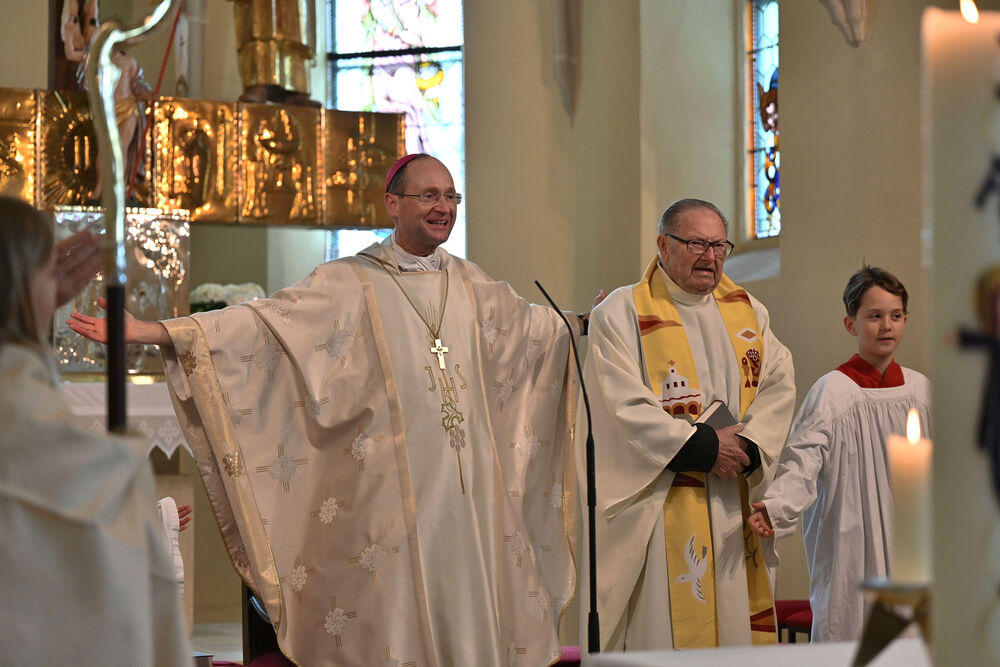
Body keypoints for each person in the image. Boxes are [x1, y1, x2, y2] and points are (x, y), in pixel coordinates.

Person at [70, 153, 593, 666]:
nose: (444, 207)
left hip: (467, 496)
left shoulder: (473, 284)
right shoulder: (349, 281)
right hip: (387, 494)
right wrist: (153, 331)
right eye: (429, 195)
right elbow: (263, 324)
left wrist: (593, 322)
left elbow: (533, 328)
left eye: (451, 197)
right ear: (393, 203)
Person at [581, 197, 796, 651]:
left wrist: (749, 446)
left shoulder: (749, 312)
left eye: (719, 246)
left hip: (731, 499)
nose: (710, 256)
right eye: (697, 243)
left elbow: (778, 383)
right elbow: (618, 404)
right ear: (663, 245)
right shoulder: (620, 313)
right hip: (663, 503)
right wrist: (704, 448)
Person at [0, 195, 191, 665]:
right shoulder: (15, 384)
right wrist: (131, 476)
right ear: (19, 283)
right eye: (46, 273)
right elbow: (82, 485)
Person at [747, 265, 932, 642]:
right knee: (849, 635)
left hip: (911, 543)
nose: (887, 326)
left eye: (896, 316)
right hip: (851, 540)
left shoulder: (920, 391)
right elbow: (803, 461)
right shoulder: (832, 392)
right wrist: (777, 506)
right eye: (874, 316)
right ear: (851, 324)